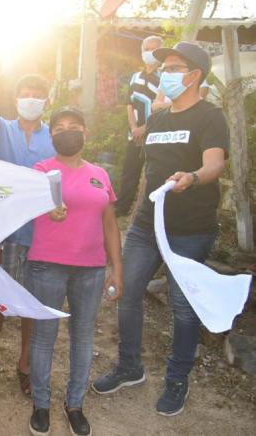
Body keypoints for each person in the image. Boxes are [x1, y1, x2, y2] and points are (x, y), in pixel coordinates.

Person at [92, 42, 229, 417]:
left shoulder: (210, 116)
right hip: (146, 226)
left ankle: (177, 379)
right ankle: (129, 367)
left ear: (194, 75)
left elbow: (215, 164)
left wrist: (192, 177)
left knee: (183, 308)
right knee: (126, 291)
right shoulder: (156, 118)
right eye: (164, 66)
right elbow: (148, 174)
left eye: (172, 67)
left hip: (190, 229)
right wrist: (138, 210)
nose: (164, 72)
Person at [25, 108, 123, 436]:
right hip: (47, 265)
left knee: (83, 336)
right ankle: (41, 404)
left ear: (85, 132)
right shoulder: (41, 171)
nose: (66, 132)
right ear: (51, 135)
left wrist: (117, 268)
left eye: (74, 126)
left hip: (91, 269)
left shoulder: (100, 174)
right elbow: (27, 205)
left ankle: (75, 404)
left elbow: (110, 225)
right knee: (44, 336)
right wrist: (47, 207)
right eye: (59, 128)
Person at [0, 70, 56, 396]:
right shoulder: (2, 128)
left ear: (47, 100)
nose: (31, 98)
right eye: (26, 93)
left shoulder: (53, 136)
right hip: (3, 231)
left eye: (38, 93)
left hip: (41, 231)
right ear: (16, 98)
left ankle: (25, 364)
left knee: (31, 300)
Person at [114, 35, 167, 217]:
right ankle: (122, 208)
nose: (149, 53)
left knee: (154, 175)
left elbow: (164, 108)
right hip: (135, 135)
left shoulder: (165, 78)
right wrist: (134, 128)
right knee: (130, 171)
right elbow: (129, 104)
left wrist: (145, 129)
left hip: (156, 134)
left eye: (154, 49)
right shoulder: (135, 77)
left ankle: (151, 211)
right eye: (146, 49)